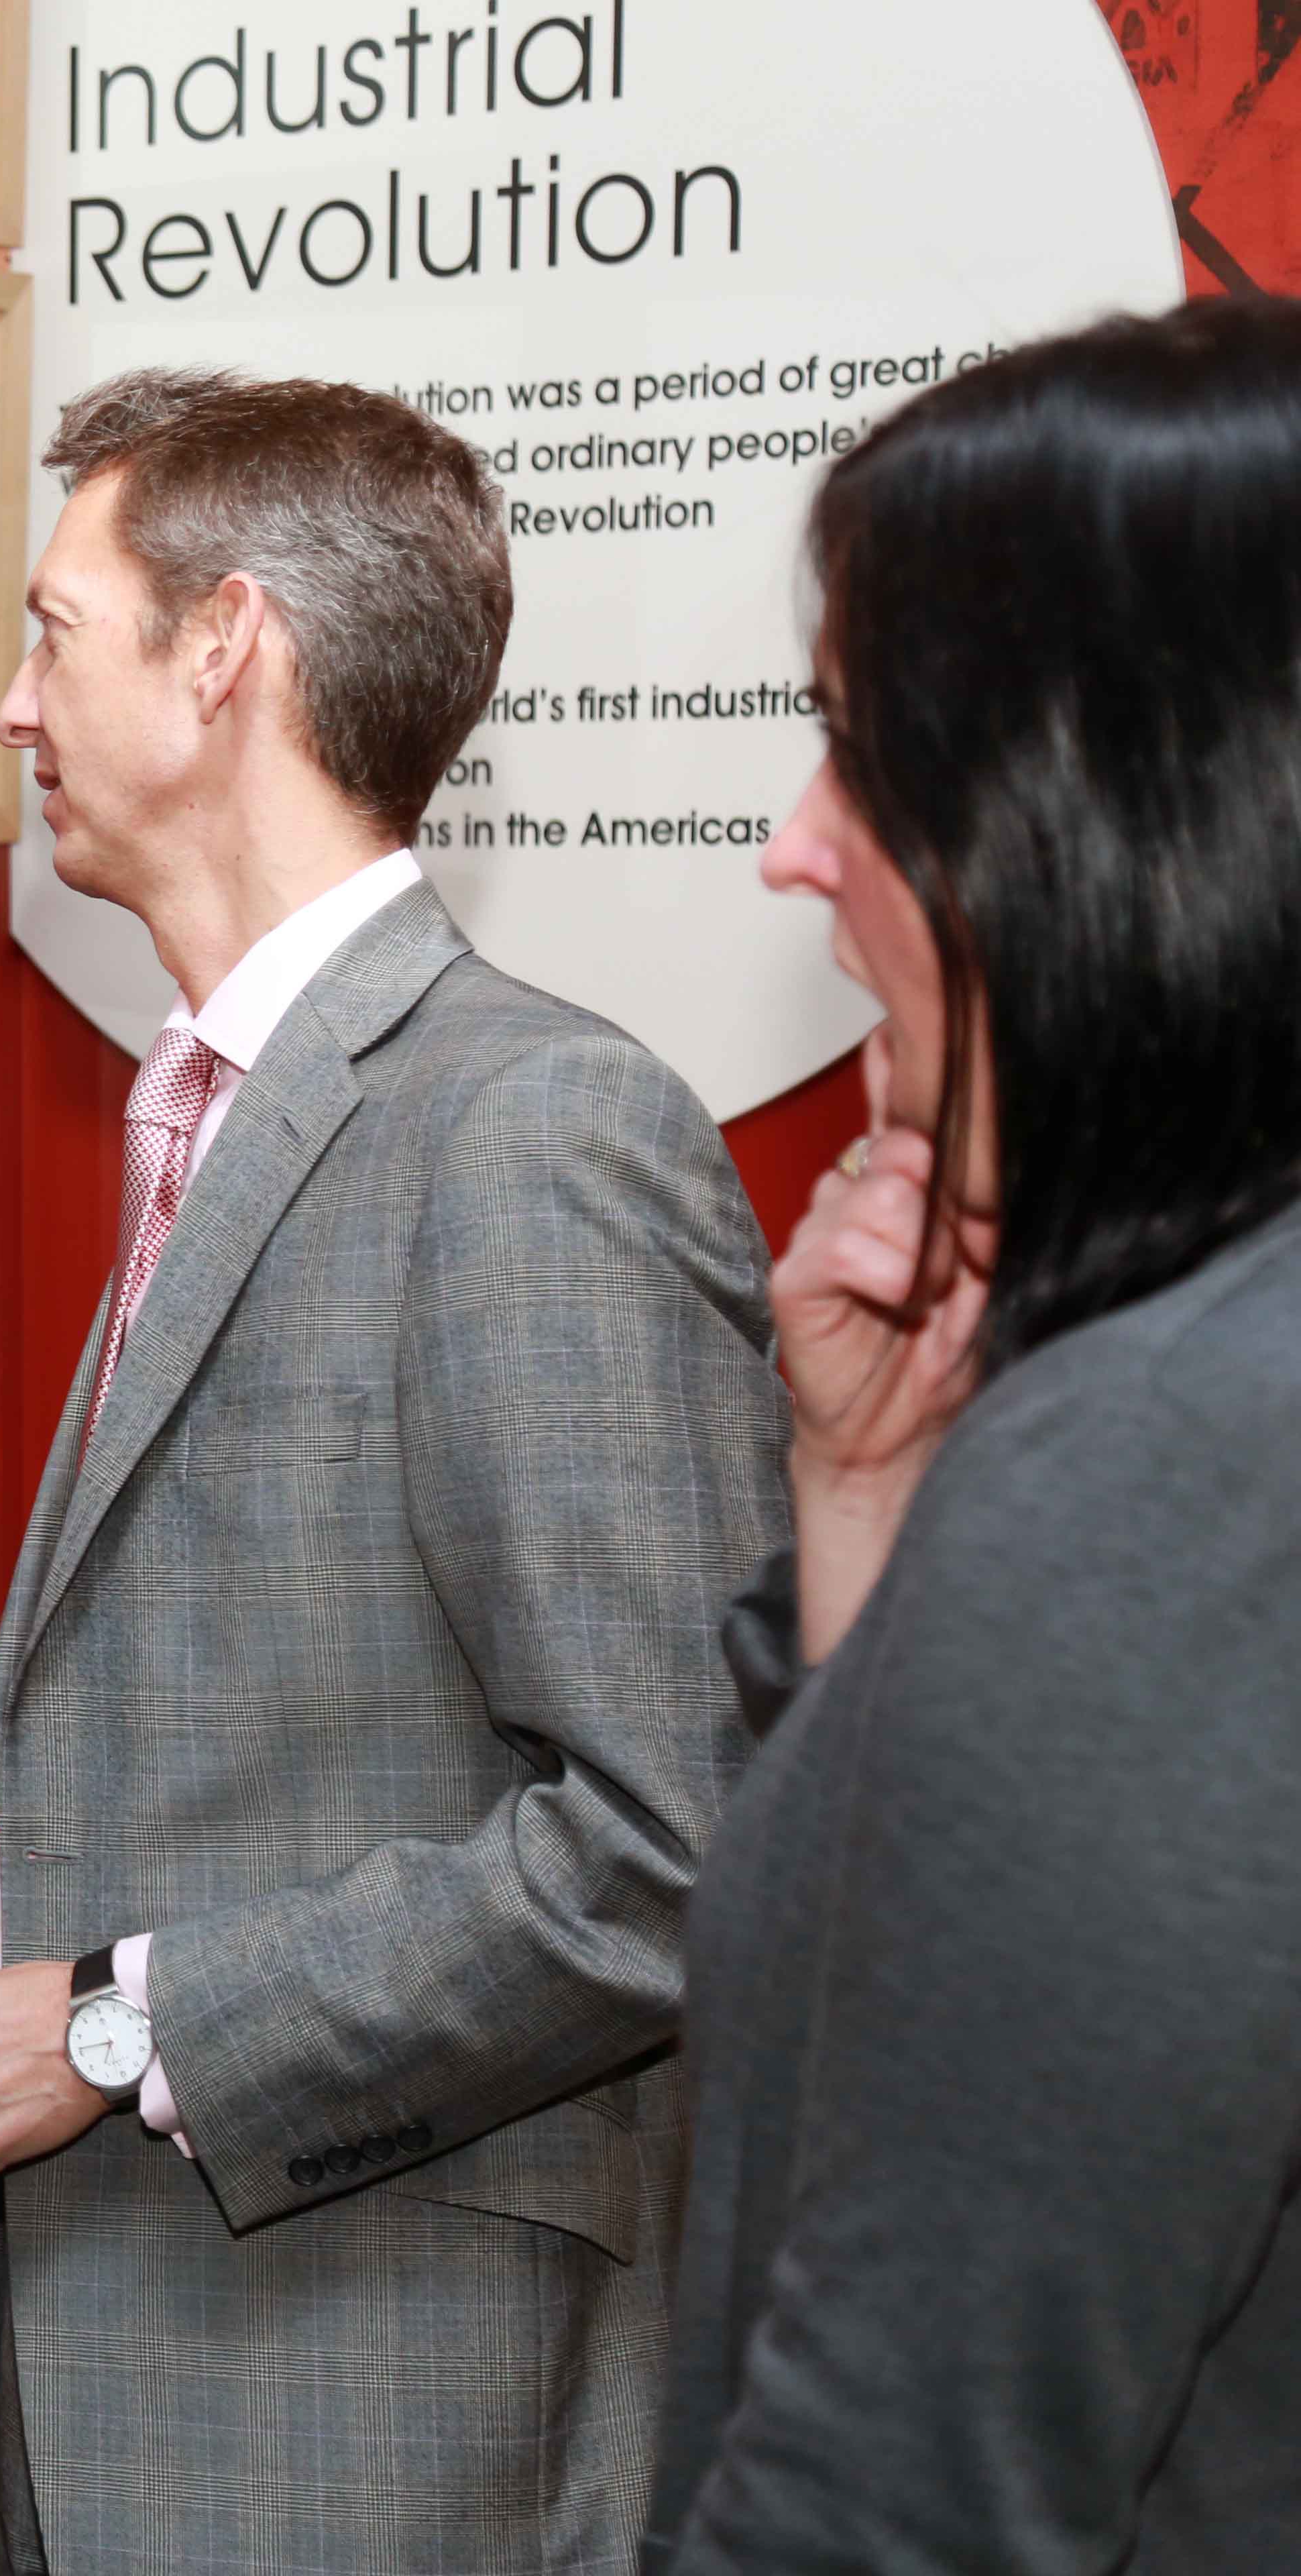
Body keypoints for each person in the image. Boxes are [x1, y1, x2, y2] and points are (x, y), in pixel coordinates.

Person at [0, 370, 791, 2573]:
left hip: (370, 2430)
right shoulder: (221, 1098)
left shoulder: (536, 1133)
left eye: (53, 631)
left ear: (223, 649)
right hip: (110, 2384)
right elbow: (262, 1737)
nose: (14, 705)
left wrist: (116, 2030)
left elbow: (674, 1847)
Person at [644, 301, 1301, 2570]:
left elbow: (896, 2482)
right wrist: (864, 1503)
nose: (795, 850)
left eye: (863, 750)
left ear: (1118, 810)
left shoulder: (1174, 1467)